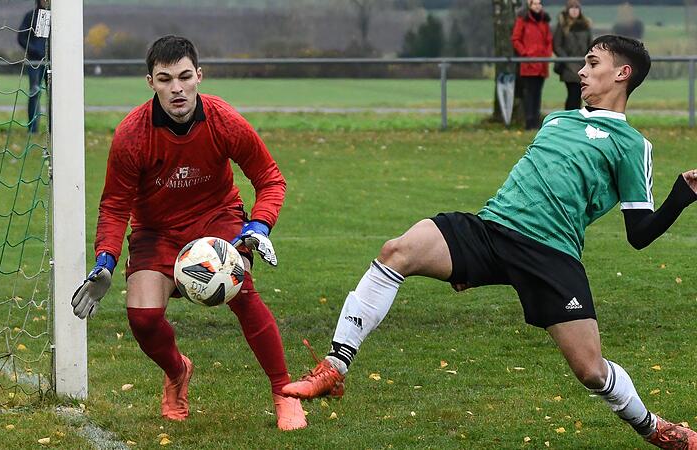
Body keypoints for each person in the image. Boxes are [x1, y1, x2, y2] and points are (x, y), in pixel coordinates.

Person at [283, 35, 697, 449]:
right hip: (491, 229)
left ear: (623, 74)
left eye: (592, 63)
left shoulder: (632, 146)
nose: (582, 71)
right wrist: (473, 261)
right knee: (397, 251)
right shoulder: (556, 119)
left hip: (550, 256)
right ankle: (335, 366)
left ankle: (652, 427)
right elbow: (524, 184)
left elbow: (639, 234)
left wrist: (680, 195)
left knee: (591, 371)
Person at [70, 35, 307, 431]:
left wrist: (259, 225)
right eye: (165, 79)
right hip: (156, 231)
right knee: (143, 320)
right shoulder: (132, 134)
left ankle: (284, 392)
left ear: (199, 75)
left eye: (184, 77)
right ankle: (178, 371)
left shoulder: (223, 119)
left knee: (244, 295)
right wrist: (105, 260)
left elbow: (270, 178)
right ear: (150, 83)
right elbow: (114, 206)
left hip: (218, 221)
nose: (176, 88)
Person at [512, 0, 552, 130]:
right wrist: (525, 53)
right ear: (530, 5)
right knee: (529, 92)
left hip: (541, 63)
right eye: (535, 4)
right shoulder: (522, 20)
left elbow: (548, 40)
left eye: (539, 4)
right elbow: (516, 39)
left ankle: (536, 119)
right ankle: (529, 121)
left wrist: (546, 55)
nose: (537, 6)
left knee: (538, 93)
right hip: (528, 63)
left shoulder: (544, 21)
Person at [17, 0, 49, 133]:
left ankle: (53, 129)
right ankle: (33, 129)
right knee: (34, 93)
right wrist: (34, 50)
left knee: (54, 96)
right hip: (35, 63)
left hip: (52, 63)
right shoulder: (30, 16)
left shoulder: (57, 17)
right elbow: (21, 38)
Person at [553, 0, 592, 110]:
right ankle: (569, 117)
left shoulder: (585, 26)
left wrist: (588, 59)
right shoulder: (562, 26)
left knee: (579, 95)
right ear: (568, 10)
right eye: (572, 8)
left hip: (583, 64)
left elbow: (590, 44)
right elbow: (557, 45)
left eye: (577, 8)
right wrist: (566, 59)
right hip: (568, 66)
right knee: (572, 93)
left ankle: (575, 118)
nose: (574, 11)